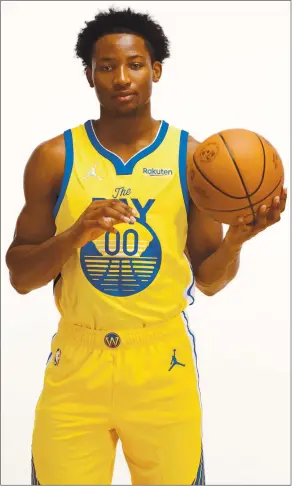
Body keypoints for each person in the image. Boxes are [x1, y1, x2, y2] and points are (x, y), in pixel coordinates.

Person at [5, 7, 287, 486]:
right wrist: (75, 233)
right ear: (88, 75)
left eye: (135, 64)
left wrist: (236, 239)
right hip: (77, 361)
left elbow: (210, 281)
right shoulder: (54, 158)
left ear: (156, 70)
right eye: (107, 66)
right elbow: (20, 275)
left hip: (161, 360)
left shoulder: (192, 158)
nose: (122, 78)